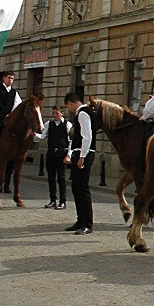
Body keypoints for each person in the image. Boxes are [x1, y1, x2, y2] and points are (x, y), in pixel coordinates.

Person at [63, 92, 95, 235]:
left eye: (68, 106)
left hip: (84, 152)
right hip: (80, 152)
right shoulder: (83, 112)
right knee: (76, 187)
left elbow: (87, 136)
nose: (68, 109)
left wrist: (82, 156)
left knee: (82, 188)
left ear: (70, 103)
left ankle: (87, 223)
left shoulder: (82, 113)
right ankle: (80, 219)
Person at [34, 106, 71, 210]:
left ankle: (62, 201)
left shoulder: (67, 125)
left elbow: (71, 142)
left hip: (62, 153)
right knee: (51, 178)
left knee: (61, 178)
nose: (55, 115)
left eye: (57, 113)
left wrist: (68, 155)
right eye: (53, 113)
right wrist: (34, 135)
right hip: (51, 153)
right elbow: (43, 136)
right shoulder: (49, 124)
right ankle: (52, 200)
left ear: (62, 113)